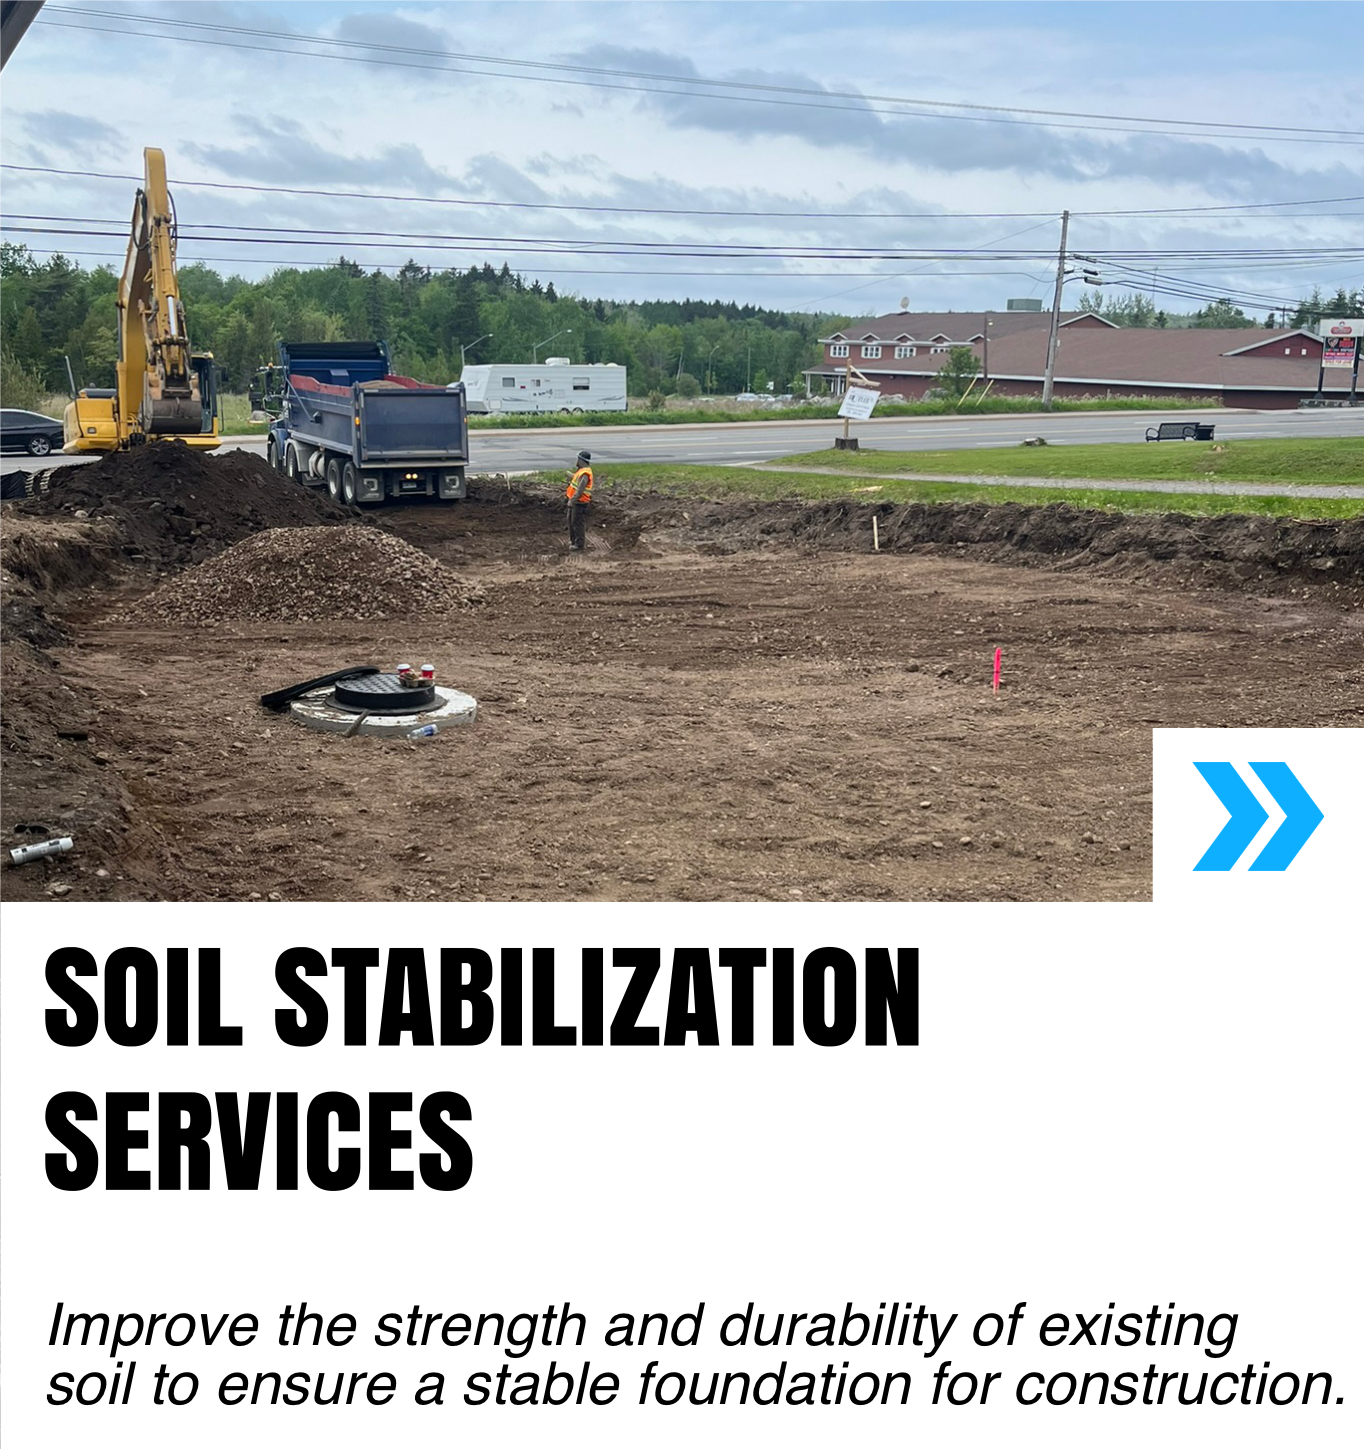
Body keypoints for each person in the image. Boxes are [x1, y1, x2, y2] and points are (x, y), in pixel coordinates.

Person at [565, 450, 594, 551]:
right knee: (571, 521)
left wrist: (572, 500)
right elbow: (577, 480)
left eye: (578, 458)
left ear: (582, 460)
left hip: (580, 502)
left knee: (577, 523)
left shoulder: (585, 473)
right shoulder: (581, 471)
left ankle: (579, 544)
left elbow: (580, 489)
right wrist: (571, 476)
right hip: (576, 501)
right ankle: (574, 541)